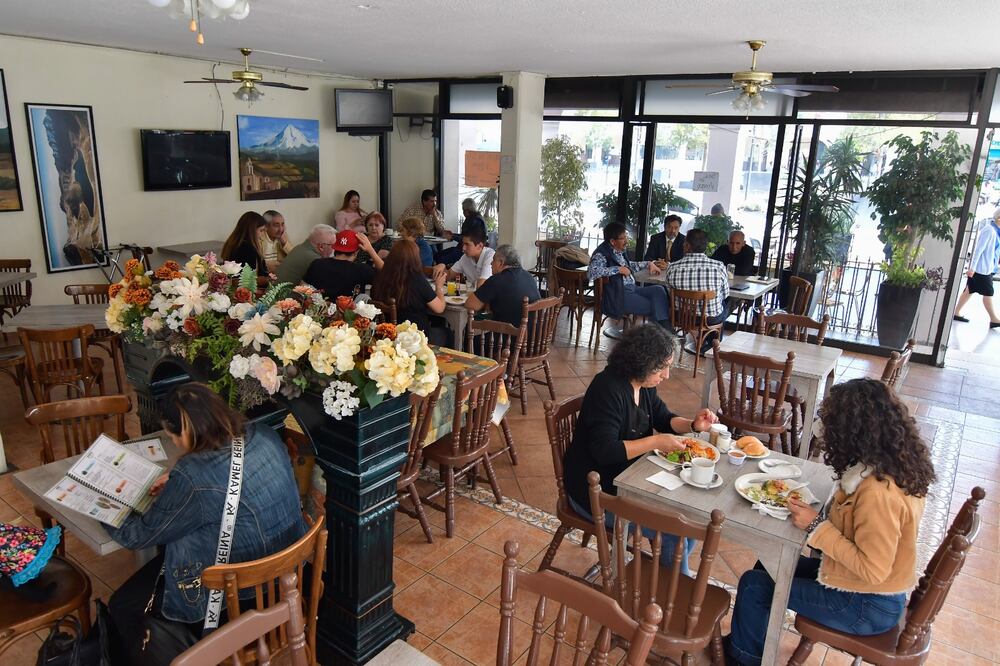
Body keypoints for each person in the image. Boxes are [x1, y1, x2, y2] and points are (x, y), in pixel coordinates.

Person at [725, 378, 936, 666]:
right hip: (862, 589)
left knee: (753, 586)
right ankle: (748, 644)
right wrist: (820, 518)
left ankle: (744, 659)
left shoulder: (878, 493)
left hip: (865, 603)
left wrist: (816, 526)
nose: (824, 431)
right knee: (769, 562)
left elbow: (872, 570)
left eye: (831, 423)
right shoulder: (891, 464)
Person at [106, 383, 306, 666]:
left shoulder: (193, 476)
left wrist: (104, 504)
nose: (174, 444)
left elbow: (136, 536)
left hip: (240, 599)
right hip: (289, 580)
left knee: (123, 604)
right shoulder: (263, 434)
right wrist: (180, 479)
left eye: (172, 437)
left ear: (185, 431)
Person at [562, 324, 718, 576]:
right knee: (673, 531)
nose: (666, 375)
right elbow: (605, 450)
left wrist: (692, 424)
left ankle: (667, 578)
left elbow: (663, 417)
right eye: (662, 367)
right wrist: (657, 442)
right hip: (593, 494)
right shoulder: (608, 389)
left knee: (686, 522)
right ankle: (674, 590)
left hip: (625, 483)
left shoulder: (643, 385)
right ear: (641, 362)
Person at [589, 222, 670, 338]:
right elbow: (592, 272)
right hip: (618, 295)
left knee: (658, 290)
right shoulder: (601, 254)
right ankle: (660, 336)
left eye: (626, 237)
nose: (626, 241)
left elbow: (629, 266)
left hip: (631, 289)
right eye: (623, 238)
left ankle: (661, 333)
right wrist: (618, 269)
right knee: (656, 306)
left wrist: (648, 264)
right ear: (612, 241)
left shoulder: (618, 252)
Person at [372, 239, 450, 346]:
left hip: (388, 335)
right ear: (415, 258)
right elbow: (439, 308)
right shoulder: (417, 280)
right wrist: (439, 286)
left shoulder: (381, 276)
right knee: (447, 333)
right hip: (415, 339)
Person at [664, 228, 730, 352]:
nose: (683, 244)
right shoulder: (719, 266)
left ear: (688, 246)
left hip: (681, 316)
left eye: (684, 242)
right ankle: (712, 345)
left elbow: (669, 294)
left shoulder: (672, 267)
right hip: (710, 319)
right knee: (727, 303)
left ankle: (704, 342)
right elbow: (725, 294)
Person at [466, 244, 541, 327]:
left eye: (493, 260)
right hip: (534, 335)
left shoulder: (496, 280)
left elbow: (470, 304)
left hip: (511, 336)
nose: (491, 263)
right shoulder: (528, 276)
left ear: (501, 263)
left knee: (469, 327)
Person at [953, 209, 1000, 329]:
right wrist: (972, 268)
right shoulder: (989, 230)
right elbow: (979, 250)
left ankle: (956, 312)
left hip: (986, 268)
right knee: (988, 292)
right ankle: (994, 319)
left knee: (969, 290)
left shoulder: (996, 231)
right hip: (981, 269)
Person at [303, 230, 384, 299]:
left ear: (335, 248)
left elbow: (302, 287)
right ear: (356, 252)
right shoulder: (362, 270)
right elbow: (386, 273)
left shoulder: (317, 263)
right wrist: (370, 249)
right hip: (352, 316)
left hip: (320, 315)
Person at [436, 198, 489, 265]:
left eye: (463, 210)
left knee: (439, 258)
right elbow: (465, 236)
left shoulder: (474, 221)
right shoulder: (475, 218)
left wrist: (452, 236)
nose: (463, 213)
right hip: (462, 248)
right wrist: (452, 234)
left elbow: (468, 239)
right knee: (438, 255)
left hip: (467, 250)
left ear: (466, 210)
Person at [221, 211, 268, 276]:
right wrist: (267, 279)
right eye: (261, 230)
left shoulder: (232, 243)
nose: (262, 234)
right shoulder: (248, 248)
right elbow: (251, 278)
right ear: (252, 230)